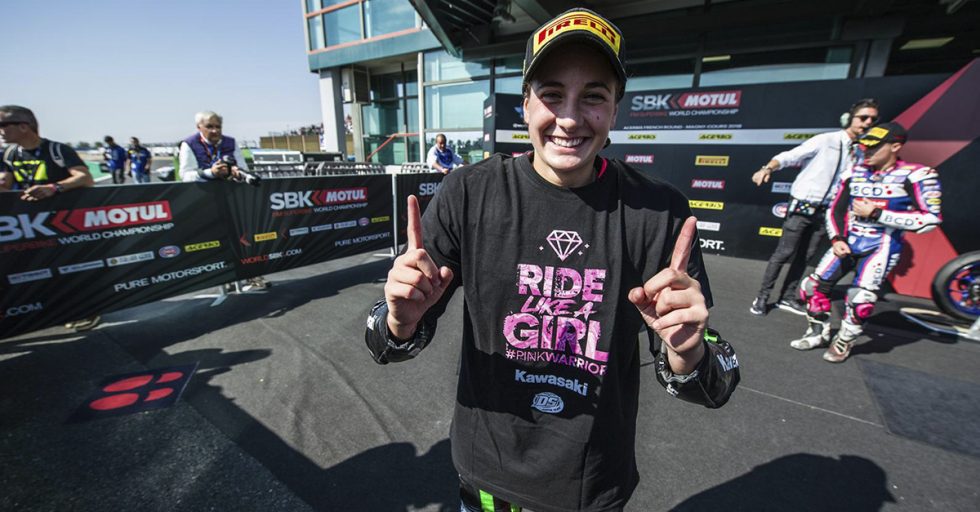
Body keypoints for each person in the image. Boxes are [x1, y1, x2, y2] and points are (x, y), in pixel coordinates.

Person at [364, 9, 739, 511]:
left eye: (593, 96)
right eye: (552, 94)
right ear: (525, 105)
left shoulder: (658, 211)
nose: (569, 118)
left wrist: (688, 351)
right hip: (487, 478)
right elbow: (385, 346)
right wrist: (400, 321)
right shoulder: (469, 193)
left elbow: (713, 386)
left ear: (615, 109)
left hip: (591, 486)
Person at [792, 122, 941, 362]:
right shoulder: (853, 173)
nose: (866, 151)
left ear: (895, 146)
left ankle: (844, 341)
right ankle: (818, 333)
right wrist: (837, 238)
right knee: (812, 287)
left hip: (882, 246)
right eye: (864, 146)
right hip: (848, 242)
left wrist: (877, 214)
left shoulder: (917, 175)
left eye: (874, 147)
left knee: (860, 299)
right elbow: (835, 210)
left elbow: (930, 219)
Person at [749, 99, 880, 317]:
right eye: (863, 117)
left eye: (872, 120)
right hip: (802, 207)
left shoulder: (860, 152)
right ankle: (762, 297)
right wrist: (767, 169)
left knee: (805, 257)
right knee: (784, 253)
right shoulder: (826, 140)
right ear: (849, 119)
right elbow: (789, 156)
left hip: (826, 212)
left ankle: (787, 297)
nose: (867, 123)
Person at [0, 105, 101, 331]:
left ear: (24, 126)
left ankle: (87, 310)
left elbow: (85, 178)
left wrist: (54, 188)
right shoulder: (8, 154)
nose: (0, 131)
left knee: (71, 269)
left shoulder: (57, 150)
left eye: (3, 125)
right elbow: (5, 183)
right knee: (37, 270)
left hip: (64, 222)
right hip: (28, 224)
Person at [178, 111, 267, 291]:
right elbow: (185, 175)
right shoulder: (189, 144)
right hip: (205, 199)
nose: (215, 130)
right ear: (199, 127)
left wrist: (237, 173)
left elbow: (243, 168)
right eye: (209, 126)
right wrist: (210, 173)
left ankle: (252, 275)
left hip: (232, 198)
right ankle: (224, 278)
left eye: (218, 126)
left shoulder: (230, 142)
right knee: (214, 240)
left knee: (243, 237)